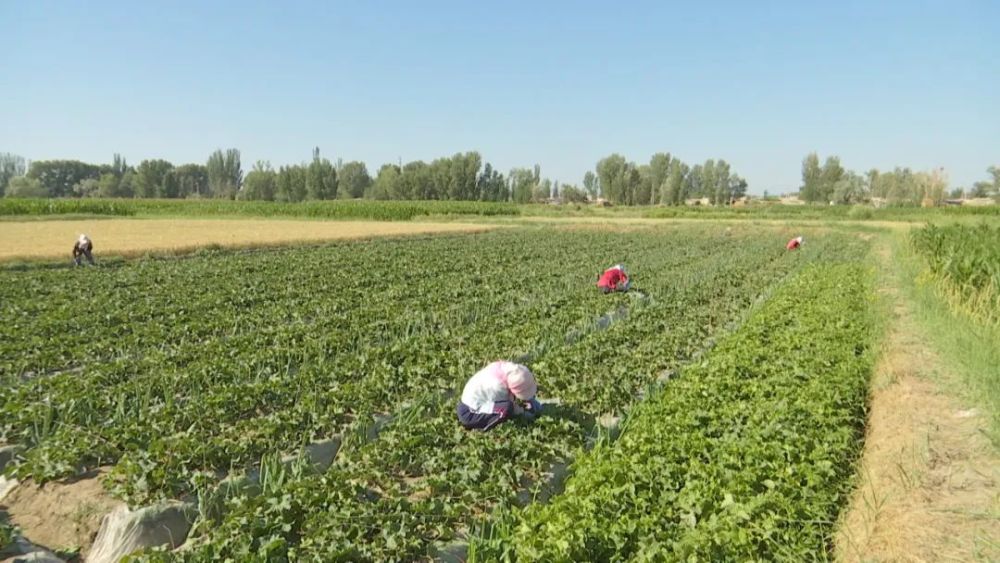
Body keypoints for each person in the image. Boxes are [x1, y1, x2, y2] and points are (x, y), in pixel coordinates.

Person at [457, 361, 542, 431]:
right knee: (507, 409)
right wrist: (524, 413)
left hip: (477, 400)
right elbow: (511, 407)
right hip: (470, 412)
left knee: (520, 405)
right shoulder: (497, 386)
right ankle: (482, 430)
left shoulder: (510, 369)